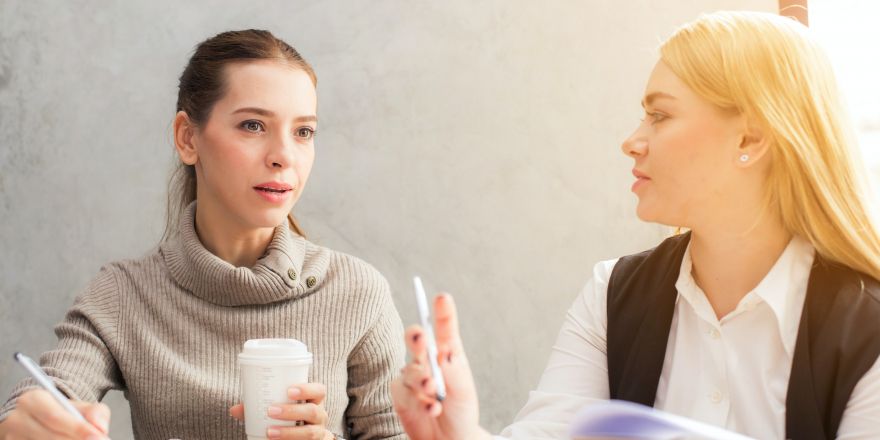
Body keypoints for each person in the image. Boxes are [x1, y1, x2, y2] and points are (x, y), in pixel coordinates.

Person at [391, 11, 880, 440]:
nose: (631, 141)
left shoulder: (867, 328)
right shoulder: (613, 293)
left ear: (749, 137)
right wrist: (462, 433)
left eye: (659, 115)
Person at [0, 29, 406, 440]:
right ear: (187, 138)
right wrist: (26, 423)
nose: (284, 156)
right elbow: (46, 395)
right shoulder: (123, 295)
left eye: (303, 132)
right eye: (253, 125)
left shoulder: (358, 293)